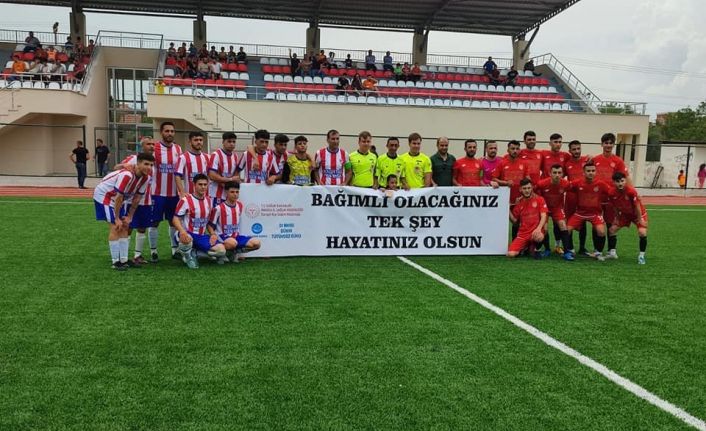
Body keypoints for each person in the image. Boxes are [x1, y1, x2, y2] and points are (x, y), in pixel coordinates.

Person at [93, 152, 154, 270]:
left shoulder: (146, 178)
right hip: (105, 196)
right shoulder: (127, 175)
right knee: (115, 226)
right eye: (146, 164)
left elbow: (137, 198)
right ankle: (116, 262)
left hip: (119, 199)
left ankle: (124, 260)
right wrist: (116, 218)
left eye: (151, 165)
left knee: (125, 226)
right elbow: (118, 197)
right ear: (138, 163)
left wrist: (130, 216)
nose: (149, 167)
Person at [111, 137, 156, 266]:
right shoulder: (133, 159)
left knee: (142, 228)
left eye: (153, 144)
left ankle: (137, 255)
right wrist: (124, 166)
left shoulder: (153, 162)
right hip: (130, 200)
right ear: (142, 146)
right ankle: (123, 256)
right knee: (127, 227)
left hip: (146, 199)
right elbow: (116, 167)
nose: (151, 146)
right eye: (148, 144)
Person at [173, 174, 226, 269]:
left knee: (221, 251)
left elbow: (209, 222)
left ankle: (195, 253)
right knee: (186, 239)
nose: (203, 187)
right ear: (194, 185)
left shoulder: (209, 201)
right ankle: (188, 257)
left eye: (205, 184)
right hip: (187, 233)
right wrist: (182, 231)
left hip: (201, 236)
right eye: (200, 184)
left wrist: (213, 234)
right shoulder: (185, 200)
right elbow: (176, 219)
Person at [149, 121, 183, 262]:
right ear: (161, 132)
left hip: (173, 194)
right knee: (154, 222)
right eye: (167, 131)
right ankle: (153, 251)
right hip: (157, 194)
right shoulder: (155, 148)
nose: (170, 133)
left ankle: (175, 250)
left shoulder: (178, 149)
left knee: (173, 222)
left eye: (172, 131)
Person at [565, 160, 612, 261]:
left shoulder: (600, 184)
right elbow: (565, 186)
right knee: (566, 230)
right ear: (584, 172)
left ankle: (598, 253)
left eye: (593, 171)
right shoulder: (578, 183)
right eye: (588, 171)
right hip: (580, 213)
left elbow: (612, 192)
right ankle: (568, 251)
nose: (591, 173)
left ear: (596, 172)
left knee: (601, 231)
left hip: (595, 214)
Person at [208, 181, 261, 263]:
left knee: (257, 243)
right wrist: (213, 234)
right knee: (232, 243)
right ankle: (221, 255)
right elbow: (210, 225)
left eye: (237, 192)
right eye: (232, 192)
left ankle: (233, 252)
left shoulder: (240, 205)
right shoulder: (218, 208)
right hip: (222, 236)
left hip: (236, 236)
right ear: (226, 192)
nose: (235, 194)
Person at [607, 172, 648, 264]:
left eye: (622, 181)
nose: (620, 183)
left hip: (637, 214)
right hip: (625, 215)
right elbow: (615, 207)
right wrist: (617, 218)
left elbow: (637, 206)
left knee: (642, 232)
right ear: (613, 182)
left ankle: (641, 256)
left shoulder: (631, 191)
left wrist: (640, 219)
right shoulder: (611, 192)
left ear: (625, 181)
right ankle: (612, 253)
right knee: (612, 230)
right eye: (618, 181)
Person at [491, 140, 529, 240]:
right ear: (508, 150)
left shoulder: (524, 163)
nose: (515, 151)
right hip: (505, 200)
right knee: (511, 222)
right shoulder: (502, 163)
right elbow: (494, 178)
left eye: (517, 149)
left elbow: (527, 180)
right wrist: (505, 183)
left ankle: (518, 244)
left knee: (519, 223)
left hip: (520, 199)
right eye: (512, 149)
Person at [536, 164, 574, 260]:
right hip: (545, 208)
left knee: (563, 225)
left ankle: (566, 252)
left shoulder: (566, 184)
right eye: (555, 172)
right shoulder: (542, 183)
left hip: (557, 208)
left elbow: (575, 189)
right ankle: (547, 249)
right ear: (550, 173)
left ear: (562, 174)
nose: (557, 175)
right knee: (545, 228)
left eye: (559, 173)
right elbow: (533, 192)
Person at [507, 178, 548, 258]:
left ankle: (536, 249)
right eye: (524, 188)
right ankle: (526, 247)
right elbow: (514, 221)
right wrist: (507, 209)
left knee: (539, 237)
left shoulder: (540, 199)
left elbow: (544, 216)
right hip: (523, 234)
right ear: (520, 189)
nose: (527, 190)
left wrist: (539, 228)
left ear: (532, 188)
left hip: (535, 232)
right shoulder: (519, 203)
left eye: (529, 188)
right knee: (510, 254)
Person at [564, 140, 590, 256]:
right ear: (570, 151)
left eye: (578, 148)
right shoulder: (567, 164)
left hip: (583, 198)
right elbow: (561, 176)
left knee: (583, 221)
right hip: (571, 197)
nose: (576, 151)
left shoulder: (587, 161)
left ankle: (582, 248)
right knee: (569, 222)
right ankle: (570, 247)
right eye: (574, 149)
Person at [207, 132, 240, 205]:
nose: (232, 144)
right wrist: (230, 179)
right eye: (229, 141)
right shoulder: (216, 155)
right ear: (223, 142)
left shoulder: (235, 156)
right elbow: (212, 175)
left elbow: (236, 175)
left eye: (234, 142)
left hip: (229, 196)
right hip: (216, 194)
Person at [175, 131, 210, 197]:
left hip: (205, 197)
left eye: (200, 140)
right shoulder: (183, 157)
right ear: (190, 142)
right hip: (189, 196)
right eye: (196, 140)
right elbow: (177, 176)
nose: (199, 142)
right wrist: (182, 192)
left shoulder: (208, 157)